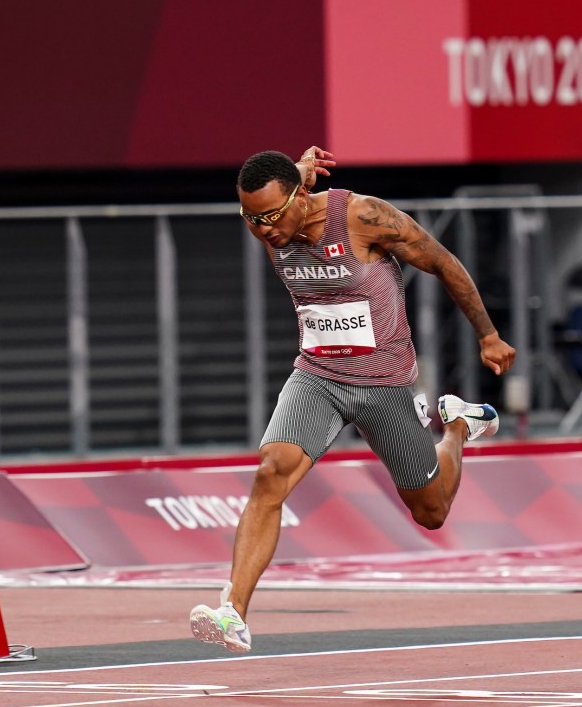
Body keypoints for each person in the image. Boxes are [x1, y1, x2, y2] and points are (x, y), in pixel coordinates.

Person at [189, 147, 516, 653]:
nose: (265, 232)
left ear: (301, 198)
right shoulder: (276, 210)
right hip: (316, 375)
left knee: (431, 512)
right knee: (271, 472)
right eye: (251, 220)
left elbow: (443, 262)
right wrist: (294, 174)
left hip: (383, 382)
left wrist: (488, 335)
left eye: (272, 217)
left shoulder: (363, 216)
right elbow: (280, 192)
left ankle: (458, 426)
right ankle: (233, 610)